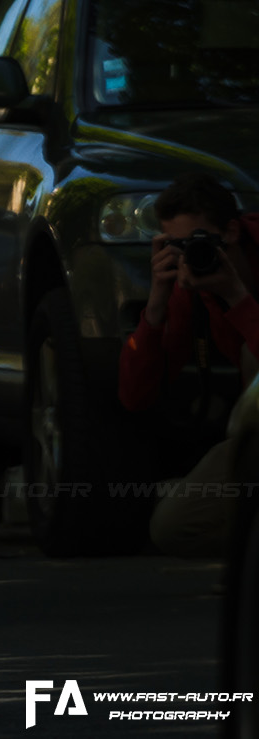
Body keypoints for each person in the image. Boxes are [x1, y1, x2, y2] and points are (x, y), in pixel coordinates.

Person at [118, 172, 259, 557]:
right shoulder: (190, 282)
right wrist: (156, 306)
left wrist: (236, 297)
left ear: (231, 231)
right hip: (254, 443)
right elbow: (136, 396)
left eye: (201, 242)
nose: (192, 254)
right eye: (177, 245)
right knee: (174, 527)